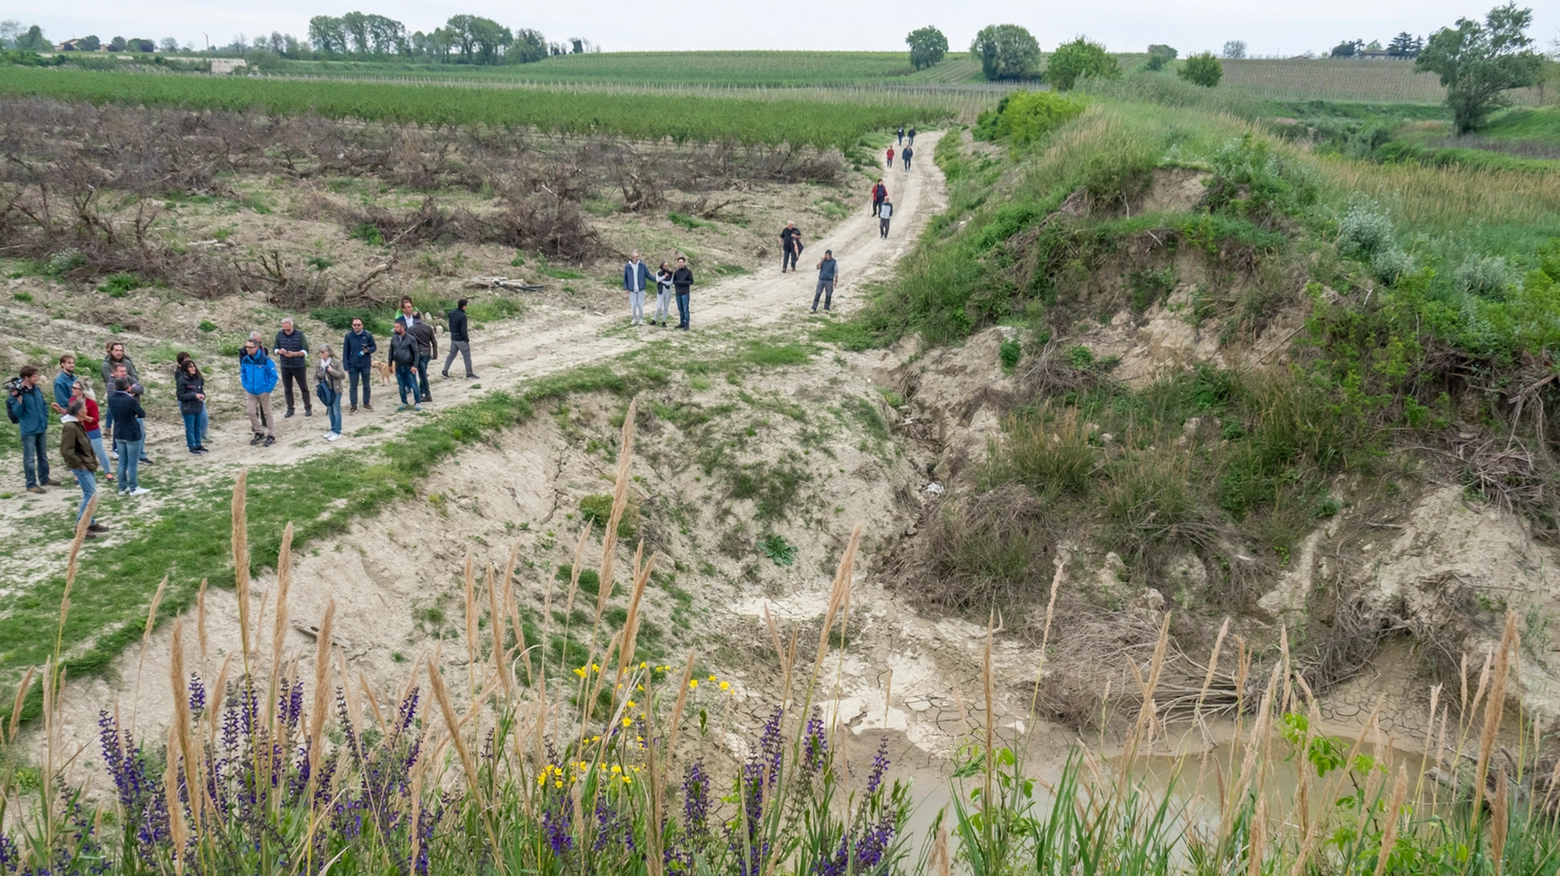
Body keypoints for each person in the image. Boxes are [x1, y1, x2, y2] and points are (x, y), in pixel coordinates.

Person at [60, 399, 107, 536]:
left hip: (87, 465)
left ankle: (90, 523)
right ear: (79, 411)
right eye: (85, 408)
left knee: (91, 495)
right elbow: (66, 450)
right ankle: (81, 526)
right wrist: (80, 464)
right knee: (90, 495)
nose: (87, 410)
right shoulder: (70, 427)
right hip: (82, 467)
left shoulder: (78, 424)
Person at [8, 366, 57, 494]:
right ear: (26, 378)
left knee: (43, 455)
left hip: (41, 426)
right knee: (29, 458)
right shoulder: (17, 393)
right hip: (29, 429)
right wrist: (19, 400)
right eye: (34, 376)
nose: (37, 378)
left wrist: (45, 418)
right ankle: (31, 484)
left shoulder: (36, 389)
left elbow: (43, 404)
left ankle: (44, 478)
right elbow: (17, 413)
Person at [108, 376, 148, 496]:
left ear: (115, 387)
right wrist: (134, 414)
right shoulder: (130, 400)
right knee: (132, 462)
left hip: (119, 432)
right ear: (128, 387)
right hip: (131, 432)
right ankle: (133, 487)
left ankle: (122, 487)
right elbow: (142, 413)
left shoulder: (111, 398)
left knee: (122, 461)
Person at [71, 379, 112, 485]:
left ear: (82, 391)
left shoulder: (91, 402)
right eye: (73, 387)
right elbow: (69, 413)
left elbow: (95, 419)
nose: (72, 389)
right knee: (79, 453)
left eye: (75, 388)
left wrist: (84, 417)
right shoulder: (72, 400)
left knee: (99, 452)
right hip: (78, 430)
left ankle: (108, 471)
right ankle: (79, 474)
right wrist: (61, 409)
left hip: (92, 430)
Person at [240, 337, 278, 447]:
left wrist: (268, 389)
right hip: (251, 391)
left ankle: (271, 435)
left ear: (257, 347)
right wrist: (246, 384)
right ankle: (259, 432)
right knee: (251, 412)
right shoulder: (245, 360)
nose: (248, 349)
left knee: (267, 413)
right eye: (246, 347)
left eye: (250, 347)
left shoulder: (266, 360)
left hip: (263, 391)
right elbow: (243, 373)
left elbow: (273, 376)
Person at [274, 318, 311, 418]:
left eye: (288, 329)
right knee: (287, 389)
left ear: (292, 326)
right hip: (285, 365)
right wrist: (279, 352)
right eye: (284, 329)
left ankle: (308, 407)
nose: (286, 331)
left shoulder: (300, 335)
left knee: (303, 387)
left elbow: (306, 350)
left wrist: (294, 354)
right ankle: (290, 408)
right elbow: (275, 348)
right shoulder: (279, 334)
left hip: (298, 365)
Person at [175, 352, 210, 446]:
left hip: (197, 403)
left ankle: (198, 444)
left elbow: (200, 387)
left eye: (193, 366)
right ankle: (192, 446)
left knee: (198, 424)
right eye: (190, 366)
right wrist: (194, 395)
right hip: (188, 405)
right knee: (190, 427)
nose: (193, 368)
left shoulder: (196, 377)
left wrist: (202, 394)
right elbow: (180, 395)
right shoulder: (181, 377)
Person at [343, 317, 377, 413]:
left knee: (366, 385)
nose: (356, 327)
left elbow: (374, 347)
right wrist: (346, 365)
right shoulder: (349, 336)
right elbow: (345, 351)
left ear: (362, 325)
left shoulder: (367, 335)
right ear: (352, 326)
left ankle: (366, 403)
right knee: (353, 386)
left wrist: (368, 350)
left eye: (358, 325)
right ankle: (353, 406)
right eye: (355, 325)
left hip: (365, 364)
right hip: (353, 365)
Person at [388, 320, 421, 412]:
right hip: (399, 366)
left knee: (414, 385)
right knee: (401, 385)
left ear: (402, 328)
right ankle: (404, 402)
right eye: (394, 327)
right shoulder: (394, 339)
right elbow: (391, 351)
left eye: (397, 327)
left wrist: (415, 365)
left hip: (409, 366)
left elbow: (416, 353)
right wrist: (390, 364)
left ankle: (417, 402)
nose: (395, 329)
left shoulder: (411, 339)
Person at [315, 344, 345, 442]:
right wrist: (318, 385)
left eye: (323, 352)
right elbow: (316, 376)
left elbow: (342, 375)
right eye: (320, 352)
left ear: (328, 352)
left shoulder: (336, 362)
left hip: (336, 389)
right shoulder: (319, 363)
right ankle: (332, 429)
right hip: (326, 390)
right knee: (330, 410)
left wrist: (332, 371)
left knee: (336, 410)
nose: (321, 354)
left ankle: (338, 431)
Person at [442, 299, 477, 379]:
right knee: (467, 356)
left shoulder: (452, 313)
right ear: (464, 306)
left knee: (451, 355)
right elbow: (463, 330)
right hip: (461, 340)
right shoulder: (462, 316)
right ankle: (469, 373)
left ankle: (445, 370)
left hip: (453, 338)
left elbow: (450, 325)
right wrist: (466, 339)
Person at [407, 316, 437, 402]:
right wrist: (435, 354)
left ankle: (427, 394)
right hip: (427, 353)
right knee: (423, 373)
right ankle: (422, 392)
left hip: (418, 354)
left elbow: (409, 344)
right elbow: (434, 341)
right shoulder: (428, 328)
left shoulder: (411, 329)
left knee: (422, 375)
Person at [623, 251, 651, 326]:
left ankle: (641, 318)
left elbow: (648, 275)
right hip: (632, 289)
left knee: (640, 304)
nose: (636, 258)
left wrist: (657, 278)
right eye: (635, 257)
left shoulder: (642, 265)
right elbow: (625, 278)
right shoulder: (627, 266)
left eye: (637, 256)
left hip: (641, 288)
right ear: (631, 258)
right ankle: (634, 318)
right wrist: (626, 288)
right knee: (633, 305)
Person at [813, 250, 840, 314]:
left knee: (828, 295)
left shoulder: (834, 262)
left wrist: (835, 281)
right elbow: (817, 267)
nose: (827, 256)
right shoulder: (823, 260)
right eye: (826, 255)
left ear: (830, 255)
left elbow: (836, 272)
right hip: (821, 279)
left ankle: (826, 308)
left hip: (829, 280)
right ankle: (814, 307)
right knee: (818, 294)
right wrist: (822, 261)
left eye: (828, 255)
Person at [673, 256, 693, 330]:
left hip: (685, 293)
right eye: (679, 262)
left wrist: (682, 282)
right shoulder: (676, 272)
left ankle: (686, 324)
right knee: (680, 309)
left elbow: (691, 281)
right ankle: (681, 323)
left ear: (684, 263)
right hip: (678, 293)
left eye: (682, 262)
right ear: (678, 263)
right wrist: (678, 283)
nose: (681, 264)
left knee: (685, 309)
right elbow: (674, 281)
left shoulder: (688, 272)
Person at [653, 262, 674, 327]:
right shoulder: (658, 273)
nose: (666, 267)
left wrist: (663, 281)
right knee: (659, 307)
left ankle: (664, 321)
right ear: (662, 266)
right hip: (660, 290)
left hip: (668, 291)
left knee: (666, 307)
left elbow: (670, 282)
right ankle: (654, 319)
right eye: (665, 265)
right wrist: (664, 276)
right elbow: (657, 280)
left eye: (667, 265)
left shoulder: (671, 273)